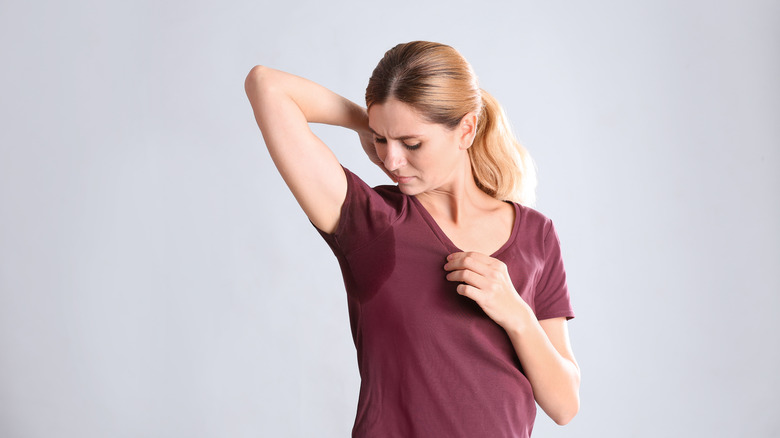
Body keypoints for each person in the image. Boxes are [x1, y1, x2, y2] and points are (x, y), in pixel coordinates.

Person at [244, 41, 579, 437]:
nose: (390, 161)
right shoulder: (372, 222)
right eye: (382, 140)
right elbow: (265, 85)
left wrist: (516, 314)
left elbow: (564, 405)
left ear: (466, 129)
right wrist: (365, 122)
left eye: (412, 143)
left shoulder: (535, 234)